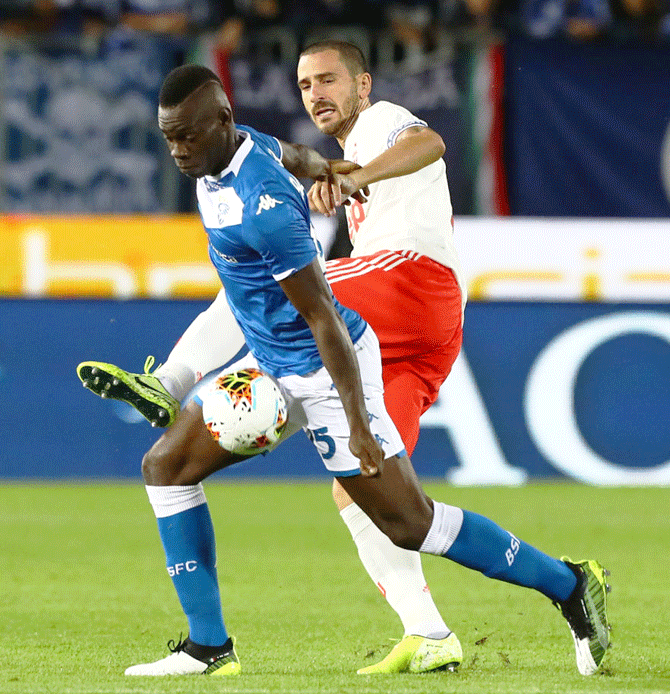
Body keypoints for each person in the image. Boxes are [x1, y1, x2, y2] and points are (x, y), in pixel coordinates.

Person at [77, 64, 611, 678]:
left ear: (219, 124)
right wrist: (323, 167)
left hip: (334, 368)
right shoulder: (231, 151)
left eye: (186, 137)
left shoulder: (272, 201)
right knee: (165, 466)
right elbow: (291, 150)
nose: (177, 150)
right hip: (280, 359)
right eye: (169, 137)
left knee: (411, 524)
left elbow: (325, 320)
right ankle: (209, 647)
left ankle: (568, 585)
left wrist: (357, 423)